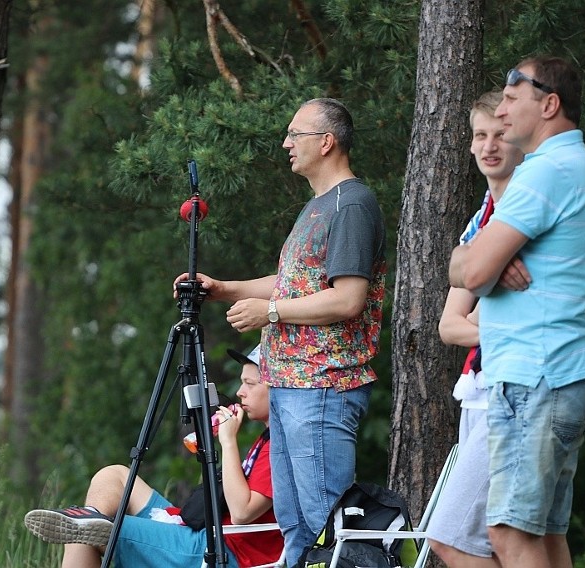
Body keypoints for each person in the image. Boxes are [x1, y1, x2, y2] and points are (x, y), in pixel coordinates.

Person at [175, 97, 386, 567]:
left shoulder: (352, 204)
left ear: (327, 142)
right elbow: (291, 285)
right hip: (292, 387)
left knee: (325, 528)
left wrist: (269, 313)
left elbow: (347, 299)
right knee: (296, 528)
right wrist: (222, 288)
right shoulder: (316, 207)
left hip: (324, 386)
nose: (286, 143)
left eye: (296, 134)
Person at [449, 56, 585, 568]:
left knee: (510, 532)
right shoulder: (573, 166)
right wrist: (483, 259)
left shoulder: (546, 173)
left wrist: (484, 258)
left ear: (549, 104)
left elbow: (471, 271)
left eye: (513, 98)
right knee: (547, 535)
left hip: (535, 375)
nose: (504, 110)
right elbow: (469, 268)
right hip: (556, 371)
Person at [23, 345, 283, 568]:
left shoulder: (282, 447)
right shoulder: (267, 438)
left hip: (220, 552)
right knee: (112, 477)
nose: (240, 391)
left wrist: (227, 443)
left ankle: (90, 531)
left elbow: (241, 513)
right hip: (204, 533)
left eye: (249, 384)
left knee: (85, 529)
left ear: (277, 388)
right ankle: (91, 528)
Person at [426, 89, 524, 568]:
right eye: (480, 135)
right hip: (479, 386)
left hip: (518, 386)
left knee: (451, 539)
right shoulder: (482, 216)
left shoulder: (530, 209)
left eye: (500, 135)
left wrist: (485, 311)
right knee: (500, 539)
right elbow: (449, 325)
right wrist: (491, 309)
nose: (489, 146)